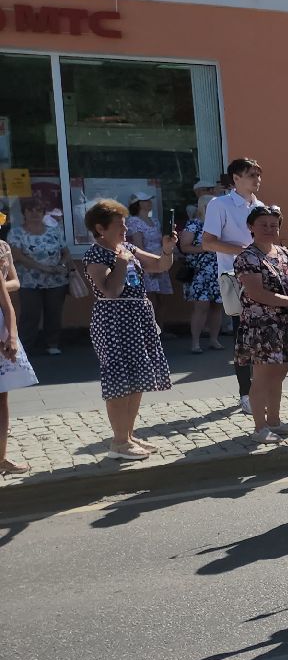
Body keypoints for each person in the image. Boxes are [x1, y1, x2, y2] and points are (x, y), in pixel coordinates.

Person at [80, 199, 175, 459]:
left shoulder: (128, 248)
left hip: (137, 319)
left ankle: (128, 436)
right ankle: (119, 442)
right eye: (119, 226)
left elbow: (160, 265)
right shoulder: (95, 254)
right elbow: (110, 291)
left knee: (136, 379)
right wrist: (121, 262)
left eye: (124, 224)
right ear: (100, 229)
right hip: (114, 321)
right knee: (119, 381)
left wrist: (167, 250)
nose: (125, 230)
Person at [232, 205, 288, 443]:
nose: (269, 229)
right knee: (262, 376)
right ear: (251, 227)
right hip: (261, 326)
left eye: (274, 225)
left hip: (285, 323)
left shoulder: (284, 253)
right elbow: (256, 293)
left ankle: (274, 420)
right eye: (263, 224)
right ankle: (259, 428)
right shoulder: (246, 257)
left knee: (279, 372)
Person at [199, 158, 267, 413]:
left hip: (261, 277)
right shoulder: (220, 204)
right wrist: (245, 251)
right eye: (251, 175)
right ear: (236, 178)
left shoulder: (260, 206)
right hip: (235, 278)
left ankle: (261, 390)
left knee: (262, 335)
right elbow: (208, 242)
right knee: (243, 337)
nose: (257, 179)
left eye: (258, 175)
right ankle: (245, 393)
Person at [7, 196, 70, 355]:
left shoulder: (54, 231)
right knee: (30, 314)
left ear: (43, 213)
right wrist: (43, 268)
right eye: (30, 210)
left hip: (56, 281)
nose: (35, 213)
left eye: (39, 210)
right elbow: (18, 256)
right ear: (24, 213)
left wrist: (62, 265)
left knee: (54, 313)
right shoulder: (16, 233)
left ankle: (52, 344)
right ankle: (24, 348)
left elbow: (66, 252)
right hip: (29, 282)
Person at [0, 238, 39, 475]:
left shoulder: (3, 247)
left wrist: (11, 337)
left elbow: (12, 290)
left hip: (1, 324)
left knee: (2, 396)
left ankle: (1, 457)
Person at [180, 184, 224, 352]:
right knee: (201, 306)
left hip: (217, 270)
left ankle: (214, 339)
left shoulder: (220, 225)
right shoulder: (194, 225)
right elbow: (185, 247)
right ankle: (195, 343)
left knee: (217, 307)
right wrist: (205, 248)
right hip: (200, 273)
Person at [124, 190, 173, 303]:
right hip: (146, 263)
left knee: (162, 299)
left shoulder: (155, 220)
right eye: (146, 200)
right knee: (150, 298)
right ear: (138, 204)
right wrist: (148, 265)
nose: (150, 202)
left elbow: (161, 241)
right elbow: (138, 246)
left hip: (160, 260)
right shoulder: (134, 221)